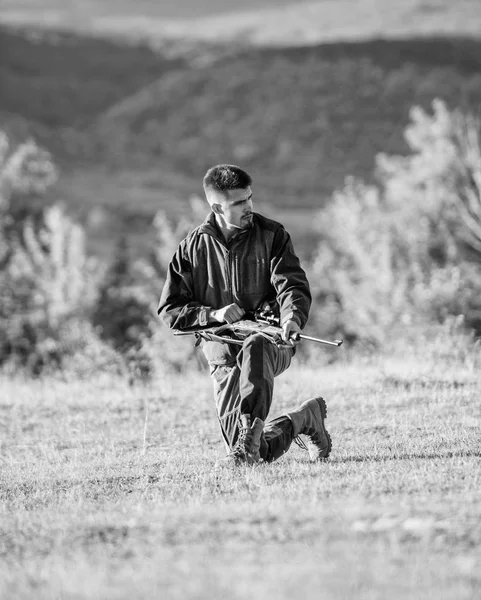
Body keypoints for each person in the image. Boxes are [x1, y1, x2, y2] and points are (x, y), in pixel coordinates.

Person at [158, 164, 331, 465]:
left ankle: (250, 435)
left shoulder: (273, 235)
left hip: (271, 344)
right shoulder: (191, 248)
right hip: (222, 356)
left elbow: (292, 285)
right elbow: (170, 310)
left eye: (249, 198)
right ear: (216, 206)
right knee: (254, 454)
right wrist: (214, 314)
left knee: (257, 344)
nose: (248, 207)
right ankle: (303, 419)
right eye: (239, 203)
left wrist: (292, 318)